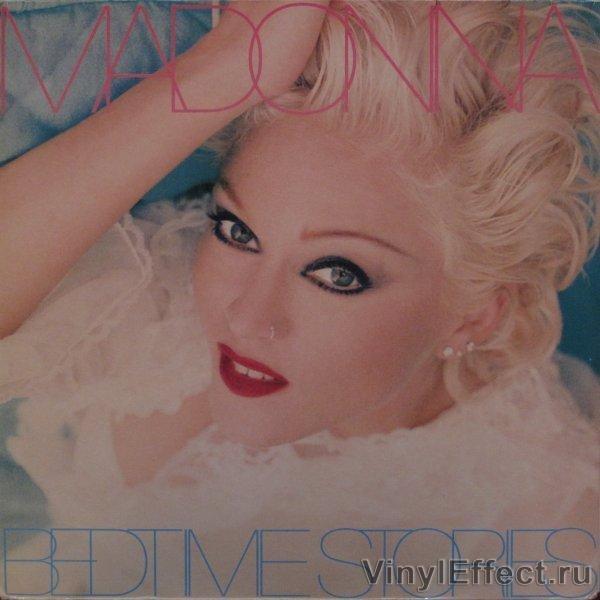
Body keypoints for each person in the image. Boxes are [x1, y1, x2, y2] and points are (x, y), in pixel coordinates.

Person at [0, 1, 598, 597]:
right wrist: (229, 65)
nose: (244, 317)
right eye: (239, 231)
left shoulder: (540, 531)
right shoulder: (164, 301)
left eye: (336, 275)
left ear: (476, 315)